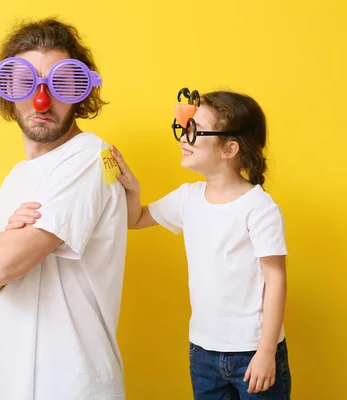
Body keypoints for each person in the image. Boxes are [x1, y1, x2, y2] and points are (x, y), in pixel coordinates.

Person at [0, 17, 128, 400]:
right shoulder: (19, 175)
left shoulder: (89, 158)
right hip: (15, 385)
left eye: (62, 82)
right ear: (6, 90)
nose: (41, 100)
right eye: (24, 82)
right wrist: (1, 246)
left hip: (74, 387)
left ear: (81, 91)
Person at [110, 90, 292, 399]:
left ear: (229, 148)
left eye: (194, 129)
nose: (184, 137)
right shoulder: (188, 197)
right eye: (184, 127)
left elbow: (276, 279)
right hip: (203, 352)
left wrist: (266, 352)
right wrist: (133, 188)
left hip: (252, 350)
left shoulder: (259, 208)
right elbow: (135, 219)